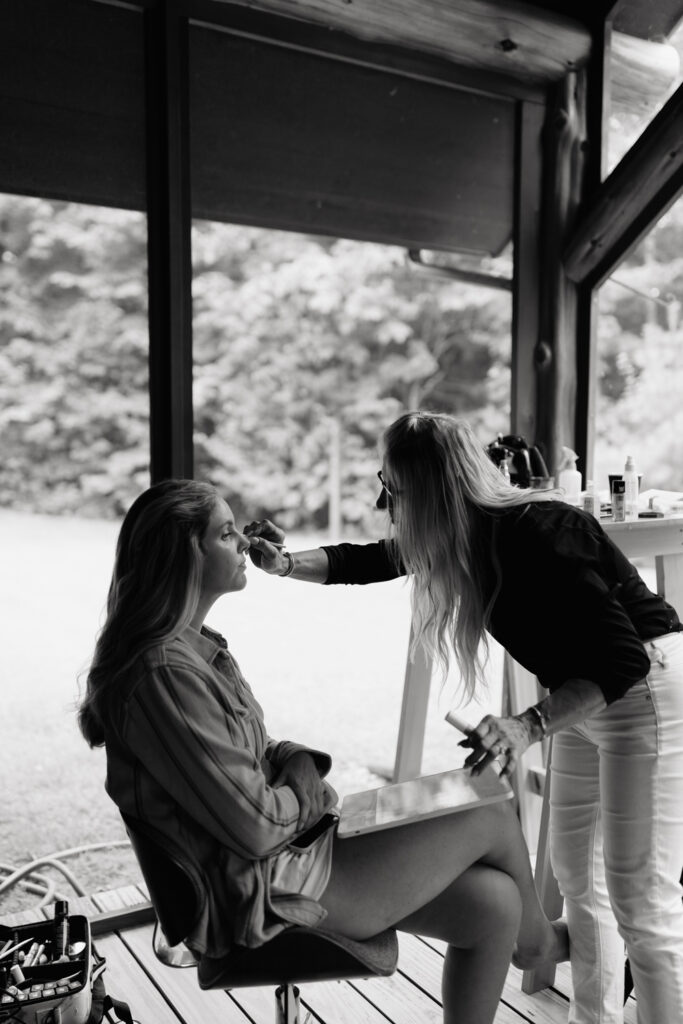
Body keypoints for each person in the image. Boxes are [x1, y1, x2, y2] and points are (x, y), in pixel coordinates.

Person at [246, 411, 683, 1024]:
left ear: (430, 489)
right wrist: (286, 564)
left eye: (392, 487)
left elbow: (622, 658)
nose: (382, 500)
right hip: (581, 699)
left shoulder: (541, 529)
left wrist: (525, 726)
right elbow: (366, 560)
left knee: (644, 900)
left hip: (644, 694)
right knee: (580, 885)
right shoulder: (459, 533)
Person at [78, 478, 567, 1024]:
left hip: (293, 854)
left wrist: (299, 764)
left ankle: (531, 937)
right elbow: (258, 825)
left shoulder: (198, 649)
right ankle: (542, 946)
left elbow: (261, 751)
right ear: (186, 552)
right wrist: (303, 787)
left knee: (495, 904)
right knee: (488, 810)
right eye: (226, 533)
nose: (243, 543)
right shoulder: (163, 672)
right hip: (264, 890)